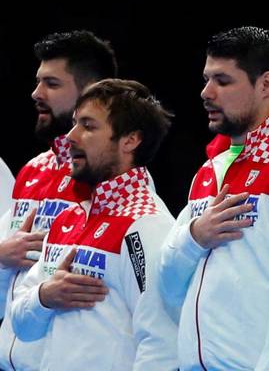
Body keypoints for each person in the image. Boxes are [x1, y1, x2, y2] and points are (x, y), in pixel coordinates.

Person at [157, 26, 269, 370]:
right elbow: (168, 285)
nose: (206, 92)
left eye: (223, 81)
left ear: (265, 85)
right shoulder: (209, 171)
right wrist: (194, 237)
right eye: (207, 79)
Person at [10, 78, 177, 370]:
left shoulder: (147, 224)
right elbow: (22, 326)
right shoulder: (68, 218)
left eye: (88, 126)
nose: (70, 136)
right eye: (75, 123)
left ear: (130, 140)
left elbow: (162, 345)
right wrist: (44, 296)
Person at [0, 30, 116, 370]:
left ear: (91, 92)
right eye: (38, 81)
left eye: (51, 84)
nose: (36, 93)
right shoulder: (31, 171)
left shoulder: (110, 177)